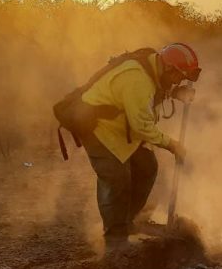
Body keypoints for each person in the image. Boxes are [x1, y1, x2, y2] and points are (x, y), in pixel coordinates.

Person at [80, 43, 199, 244]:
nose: (179, 82)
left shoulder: (154, 69)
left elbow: (151, 93)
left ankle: (130, 221)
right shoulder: (138, 79)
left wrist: (174, 93)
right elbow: (141, 126)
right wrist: (171, 145)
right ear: (169, 68)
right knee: (117, 177)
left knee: (147, 167)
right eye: (179, 77)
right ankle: (115, 241)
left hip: (122, 129)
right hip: (99, 129)